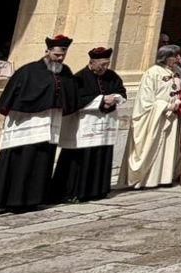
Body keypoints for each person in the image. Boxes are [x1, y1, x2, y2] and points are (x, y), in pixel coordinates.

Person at [0, 35, 77, 213]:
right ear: (47, 51)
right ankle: (13, 200)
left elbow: (70, 94)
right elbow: (15, 96)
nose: (60, 58)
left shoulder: (65, 72)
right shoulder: (28, 71)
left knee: (42, 159)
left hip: (50, 123)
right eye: (56, 55)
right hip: (27, 124)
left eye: (63, 55)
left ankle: (35, 198)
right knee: (22, 159)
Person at [51, 46, 127, 203]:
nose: (105, 68)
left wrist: (115, 98)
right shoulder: (79, 77)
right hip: (85, 125)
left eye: (107, 64)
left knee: (101, 156)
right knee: (81, 158)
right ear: (92, 62)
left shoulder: (112, 76)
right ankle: (75, 192)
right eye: (102, 64)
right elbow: (75, 99)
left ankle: (98, 190)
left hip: (105, 125)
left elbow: (122, 92)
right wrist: (101, 100)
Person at [125, 45, 181, 189]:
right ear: (165, 57)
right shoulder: (152, 73)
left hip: (173, 116)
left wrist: (179, 100)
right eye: (174, 56)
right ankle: (149, 178)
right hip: (157, 117)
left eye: (178, 56)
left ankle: (165, 176)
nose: (177, 59)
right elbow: (145, 100)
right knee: (154, 144)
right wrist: (165, 106)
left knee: (169, 147)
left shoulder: (177, 72)